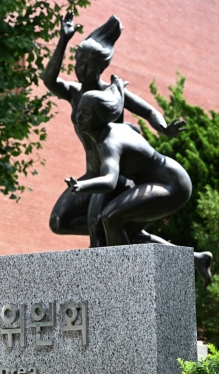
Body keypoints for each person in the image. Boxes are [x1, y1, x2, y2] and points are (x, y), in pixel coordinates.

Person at [42, 13, 185, 242]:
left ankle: (117, 246)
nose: (82, 70)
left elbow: (148, 111)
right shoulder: (74, 92)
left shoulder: (111, 95)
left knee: (97, 227)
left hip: (114, 174)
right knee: (59, 222)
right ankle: (188, 255)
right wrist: (63, 40)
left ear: (101, 67)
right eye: (78, 63)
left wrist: (164, 127)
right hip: (93, 173)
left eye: (89, 65)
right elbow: (49, 80)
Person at [66, 75, 194, 247]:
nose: (78, 117)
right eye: (79, 111)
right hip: (159, 181)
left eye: (86, 114)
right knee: (123, 232)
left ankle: (125, 271)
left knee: (111, 217)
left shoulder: (110, 142)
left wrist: (81, 186)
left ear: (100, 117)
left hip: (172, 185)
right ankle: (198, 258)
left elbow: (110, 182)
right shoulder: (115, 131)